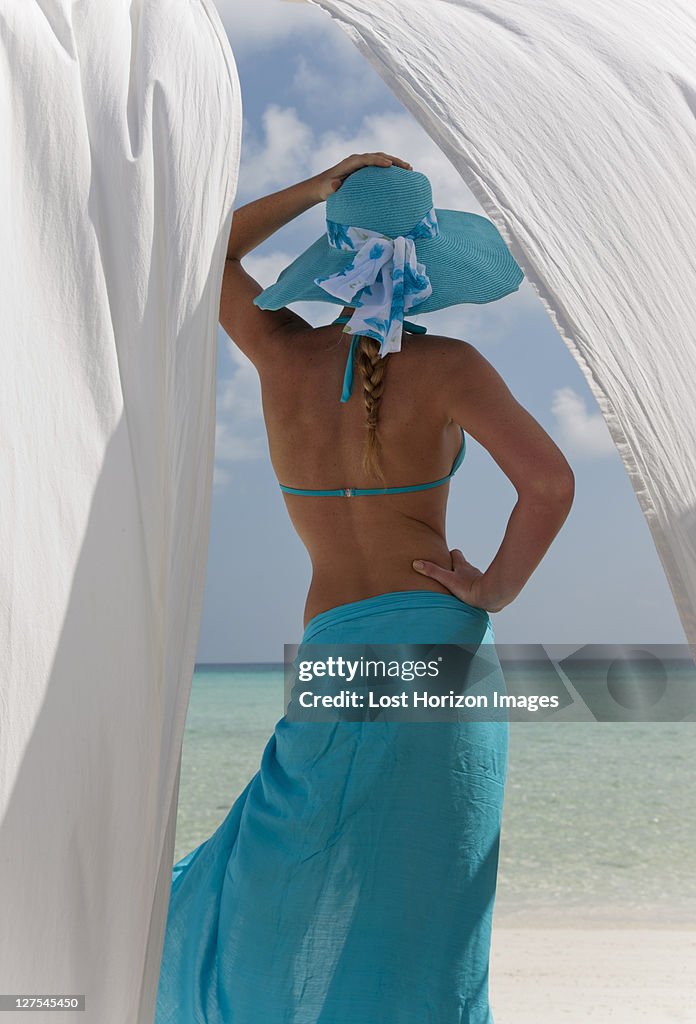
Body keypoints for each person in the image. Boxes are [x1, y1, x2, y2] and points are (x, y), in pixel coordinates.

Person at [155, 152, 575, 1024]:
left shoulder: (279, 356)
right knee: (430, 907)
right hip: (440, 650)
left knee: (286, 866)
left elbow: (206, 256)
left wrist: (317, 189)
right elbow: (551, 484)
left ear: (336, 255)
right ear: (426, 265)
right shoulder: (452, 366)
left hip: (336, 649)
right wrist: (493, 590)